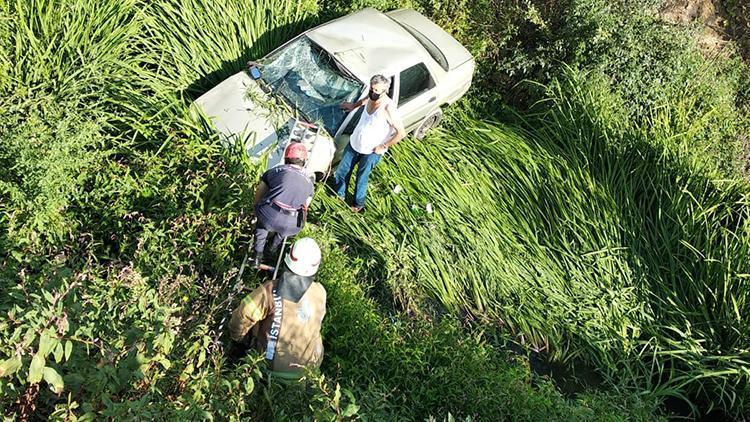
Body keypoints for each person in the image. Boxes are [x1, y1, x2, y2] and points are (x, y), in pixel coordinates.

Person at [229, 237, 326, 379]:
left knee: (254, 324)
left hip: (270, 368)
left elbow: (243, 315)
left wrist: (239, 339)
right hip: (308, 368)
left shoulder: (269, 290)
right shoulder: (320, 292)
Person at [333, 74, 406, 212]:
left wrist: (383, 146)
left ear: (385, 91)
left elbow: (401, 133)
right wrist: (354, 105)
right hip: (355, 143)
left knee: (362, 176)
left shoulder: (388, 108)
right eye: (372, 89)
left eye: (376, 91)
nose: (373, 93)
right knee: (343, 170)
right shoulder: (371, 97)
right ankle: (339, 195)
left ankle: (358, 204)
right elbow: (365, 100)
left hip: (372, 150)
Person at [252, 142, 314, 266]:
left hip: (270, 216)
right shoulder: (310, 183)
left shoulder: (275, 171)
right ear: (304, 161)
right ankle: (273, 248)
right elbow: (306, 206)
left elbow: (260, 191)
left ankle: (257, 255)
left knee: (263, 224)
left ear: (286, 159)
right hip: (292, 225)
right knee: (283, 229)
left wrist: (256, 209)